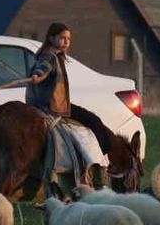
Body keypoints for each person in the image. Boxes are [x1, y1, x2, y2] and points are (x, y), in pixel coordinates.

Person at [27, 22, 110, 198]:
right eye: (62, 38)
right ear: (51, 38)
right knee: (93, 120)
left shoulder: (53, 55)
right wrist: (38, 75)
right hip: (52, 106)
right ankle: (97, 170)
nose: (66, 42)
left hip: (51, 104)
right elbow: (43, 67)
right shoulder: (49, 56)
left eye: (68, 39)